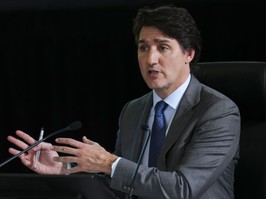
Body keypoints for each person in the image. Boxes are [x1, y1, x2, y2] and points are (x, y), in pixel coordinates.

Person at [7, 5, 240, 199]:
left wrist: (109, 162)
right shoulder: (134, 110)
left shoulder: (218, 111)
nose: (151, 59)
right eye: (143, 48)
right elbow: (122, 187)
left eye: (163, 47)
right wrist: (67, 168)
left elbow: (183, 189)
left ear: (188, 53)